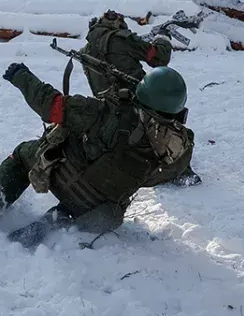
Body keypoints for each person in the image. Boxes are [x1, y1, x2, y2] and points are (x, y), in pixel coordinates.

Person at [0, 61, 193, 249]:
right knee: (108, 189)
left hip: (66, 181)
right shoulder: (179, 148)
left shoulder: (107, 112)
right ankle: (60, 218)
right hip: (99, 213)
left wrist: (20, 75)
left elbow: (52, 107)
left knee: (23, 154)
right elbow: (155, 175)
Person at [84, 10, 201, 186]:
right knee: (175, 128)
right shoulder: (121, 39)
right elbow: (159, 58)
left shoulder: (86, 50)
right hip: (141, 103)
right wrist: (163, 38)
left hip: (111, 113)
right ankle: (181, 169)